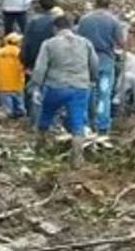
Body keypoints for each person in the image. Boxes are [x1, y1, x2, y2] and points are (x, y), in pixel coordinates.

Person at [33, 15, 98, 166]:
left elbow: (40, 68)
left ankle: (39, 147)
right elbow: (94, 63)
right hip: (79, 87)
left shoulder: (49, 44)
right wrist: (92, 79)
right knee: (77, 123)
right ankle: (77, 158)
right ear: (70, 27)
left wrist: (37, 86)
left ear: (55, 29)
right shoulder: (85, 43)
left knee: (46, 116)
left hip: (55, 86)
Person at [77, 0, 128, 135]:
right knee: (104, 94)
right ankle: (102, 124)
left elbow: (78, 39)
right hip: (105, 60)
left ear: (95, 3)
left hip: (86, 60)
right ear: (109, 5)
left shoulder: (85, 20)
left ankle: (85, 123)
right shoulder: (114, 21)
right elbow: (121, 43)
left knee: (87, 92)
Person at [0, 33, 26, 118]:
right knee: (20, 108)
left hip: (3, 84)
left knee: (7, 109)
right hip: (17, 83)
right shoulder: (20, 52)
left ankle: (8, 118)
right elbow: (23, 66)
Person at [114, 46, 135, 120]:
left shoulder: (120, 54)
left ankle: (115, 115)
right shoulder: (133, 56)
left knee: (118, 96)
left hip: (126, 75)